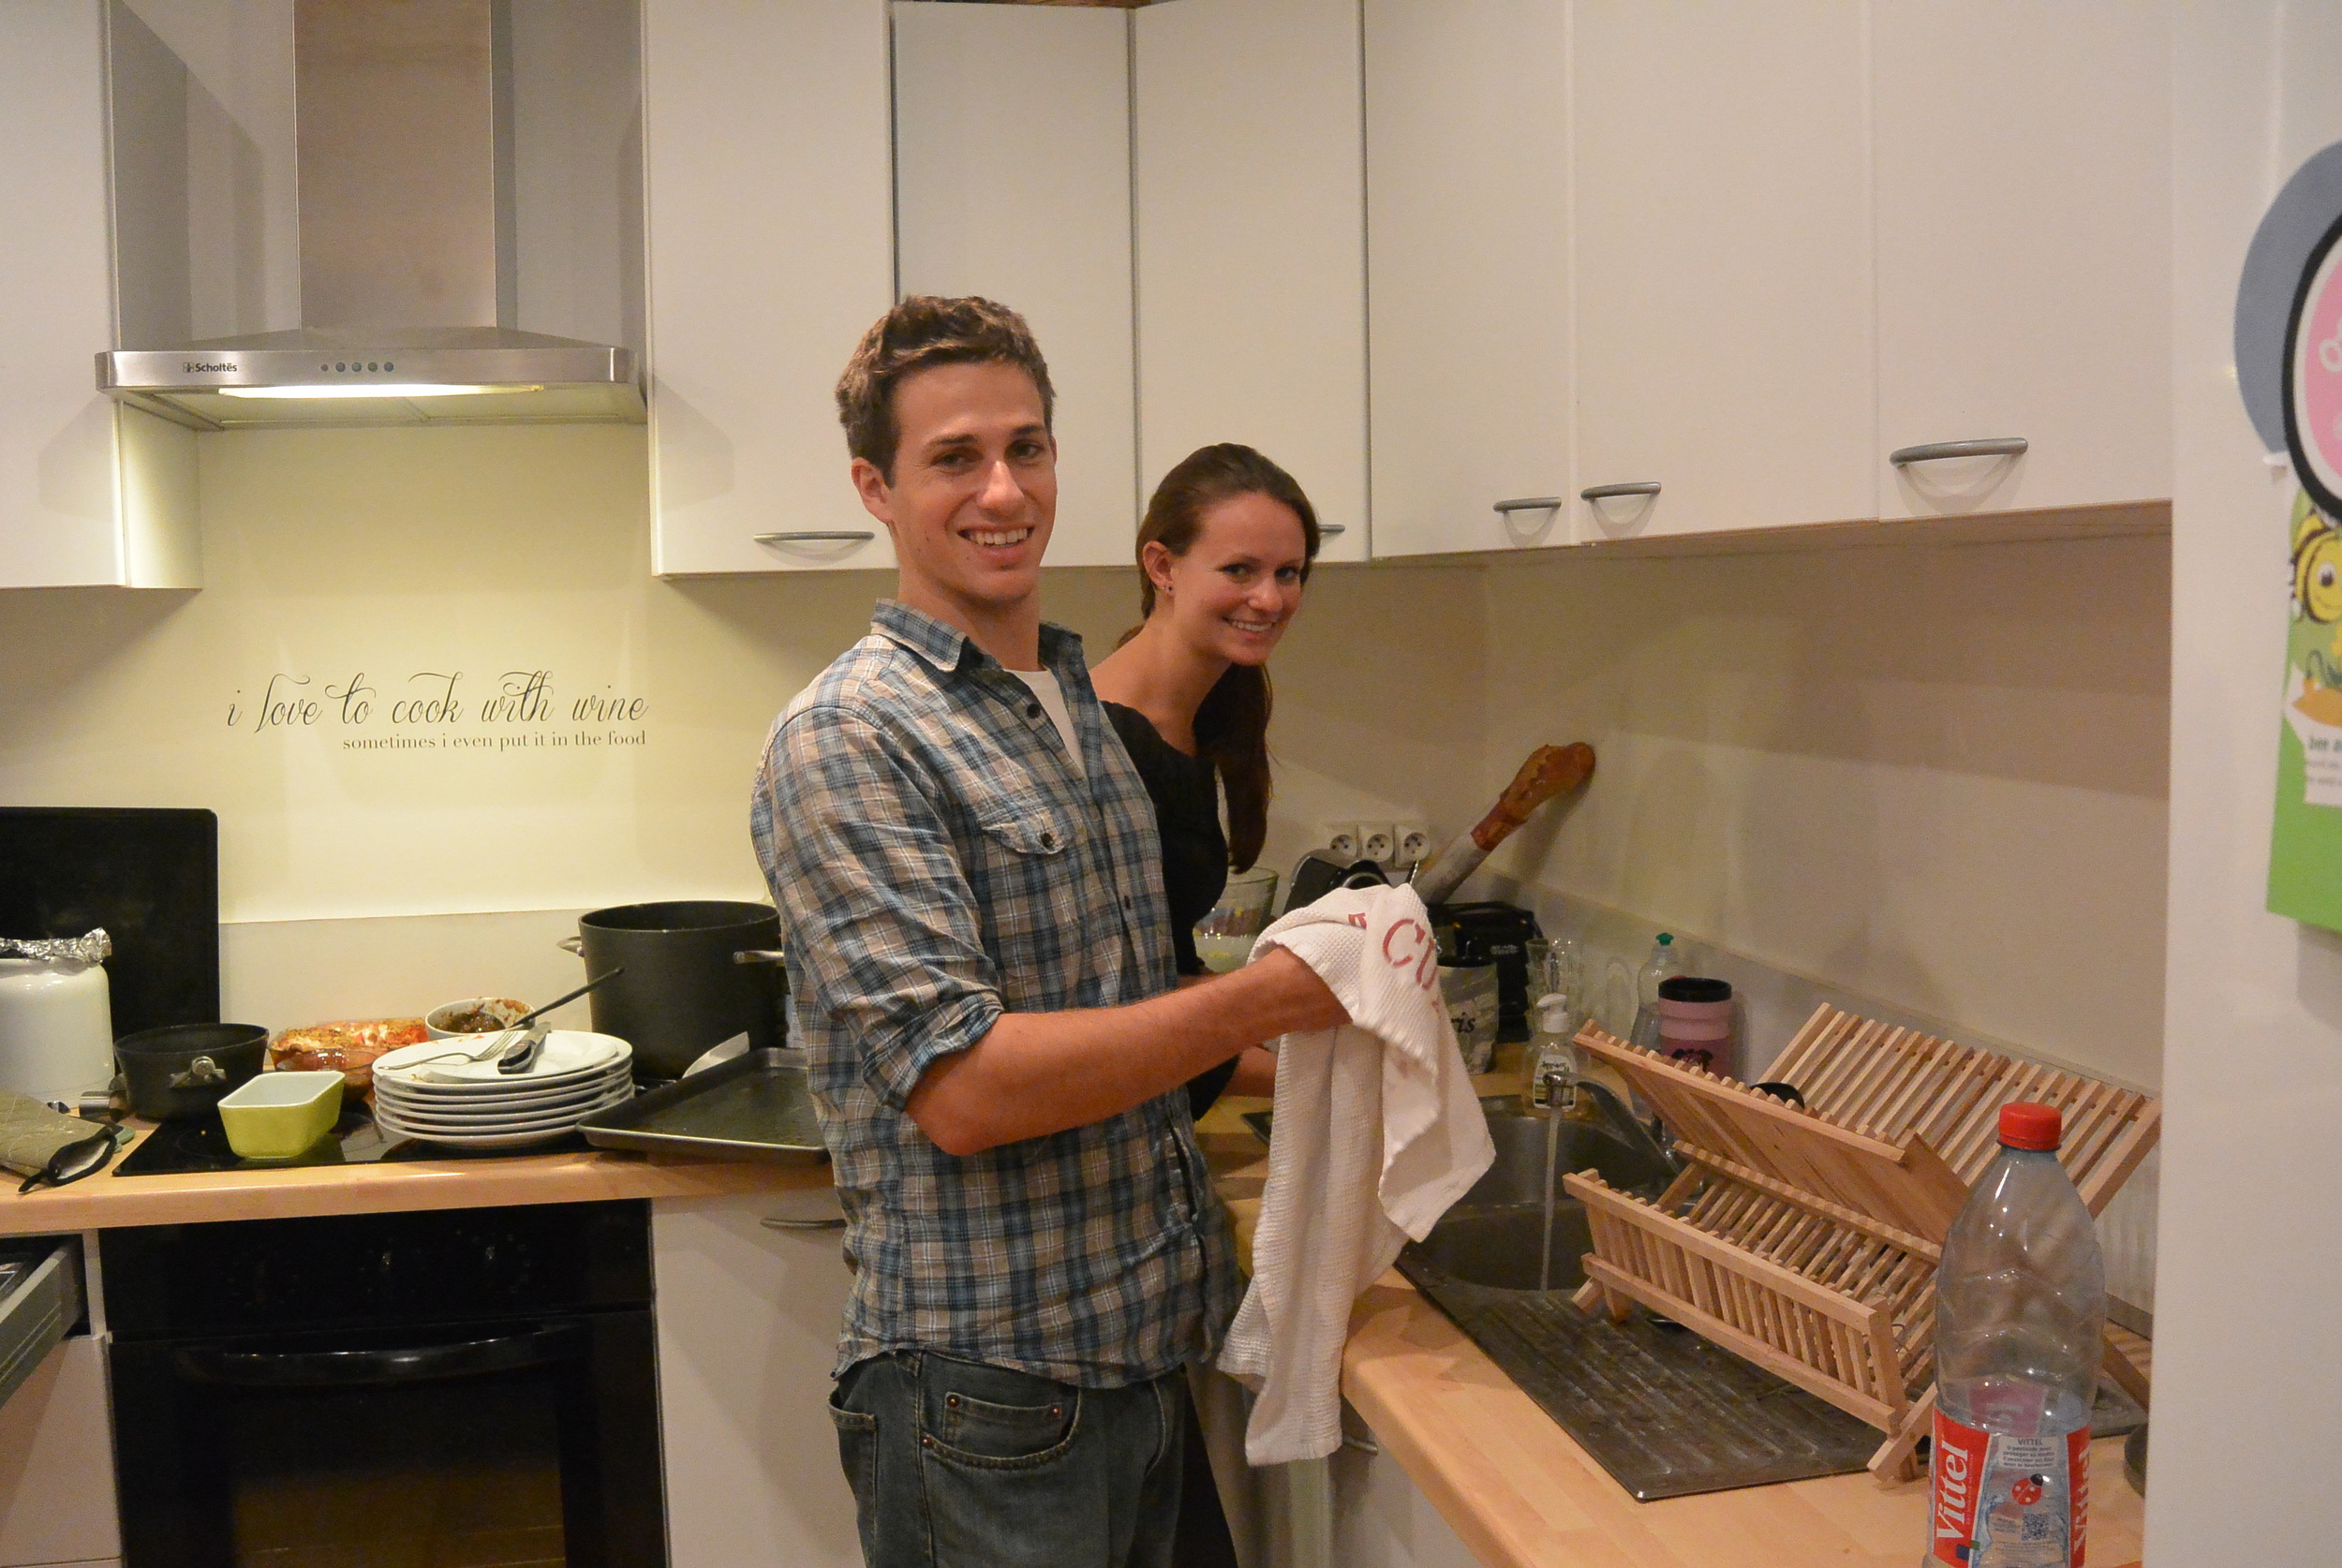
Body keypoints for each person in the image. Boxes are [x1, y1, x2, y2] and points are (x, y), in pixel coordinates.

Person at [751, 295, 1346, 1568]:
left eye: (1029, 448)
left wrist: (1328, 1035)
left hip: (1139, 1355)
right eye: (955, 457)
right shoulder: (850, 734)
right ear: (875, 484)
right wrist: (1261, 1001)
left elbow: (1131, 1018)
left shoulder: (1071, 705)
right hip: (990, 1398)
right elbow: (964, 1088)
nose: (1004, 489)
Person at [1091, 443, 1321, 1117]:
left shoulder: (1216, 706)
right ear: (1162, 566)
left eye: (1289, 572)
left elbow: (1166, 974)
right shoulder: (1107, 743)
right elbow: (1118, 1011)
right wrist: (1313, 1078)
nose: (1269, 598)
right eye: (1239, 570)